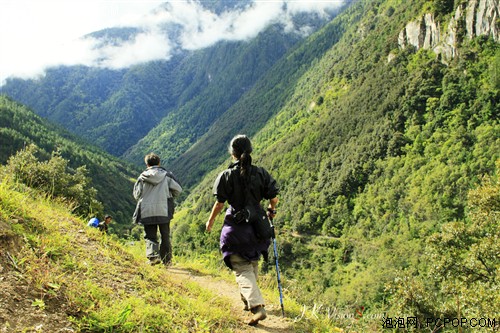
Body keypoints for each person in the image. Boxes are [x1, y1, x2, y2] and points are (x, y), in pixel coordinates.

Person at [206, 134, 279, 326]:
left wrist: (211, 220)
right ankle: (247, 301)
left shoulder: (226, 175)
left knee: (241, 267)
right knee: (251, 261)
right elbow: (273, 197)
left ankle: (257, 306)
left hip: (236, 228)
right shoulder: (261, 173)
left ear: (233, 153)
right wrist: (271, 210)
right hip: (258, 227)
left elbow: (220, 203)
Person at [133, 153, 182, 266]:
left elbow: (136, 194)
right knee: (165, 235)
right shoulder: (167, 176)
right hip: (164, 210)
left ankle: (153, 257)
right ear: (159, 163)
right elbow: (178, 190)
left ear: (147, 164)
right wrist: (169, 195)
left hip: (147, 210)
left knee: (150, 235)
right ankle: (167, 261)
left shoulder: (142, 177)